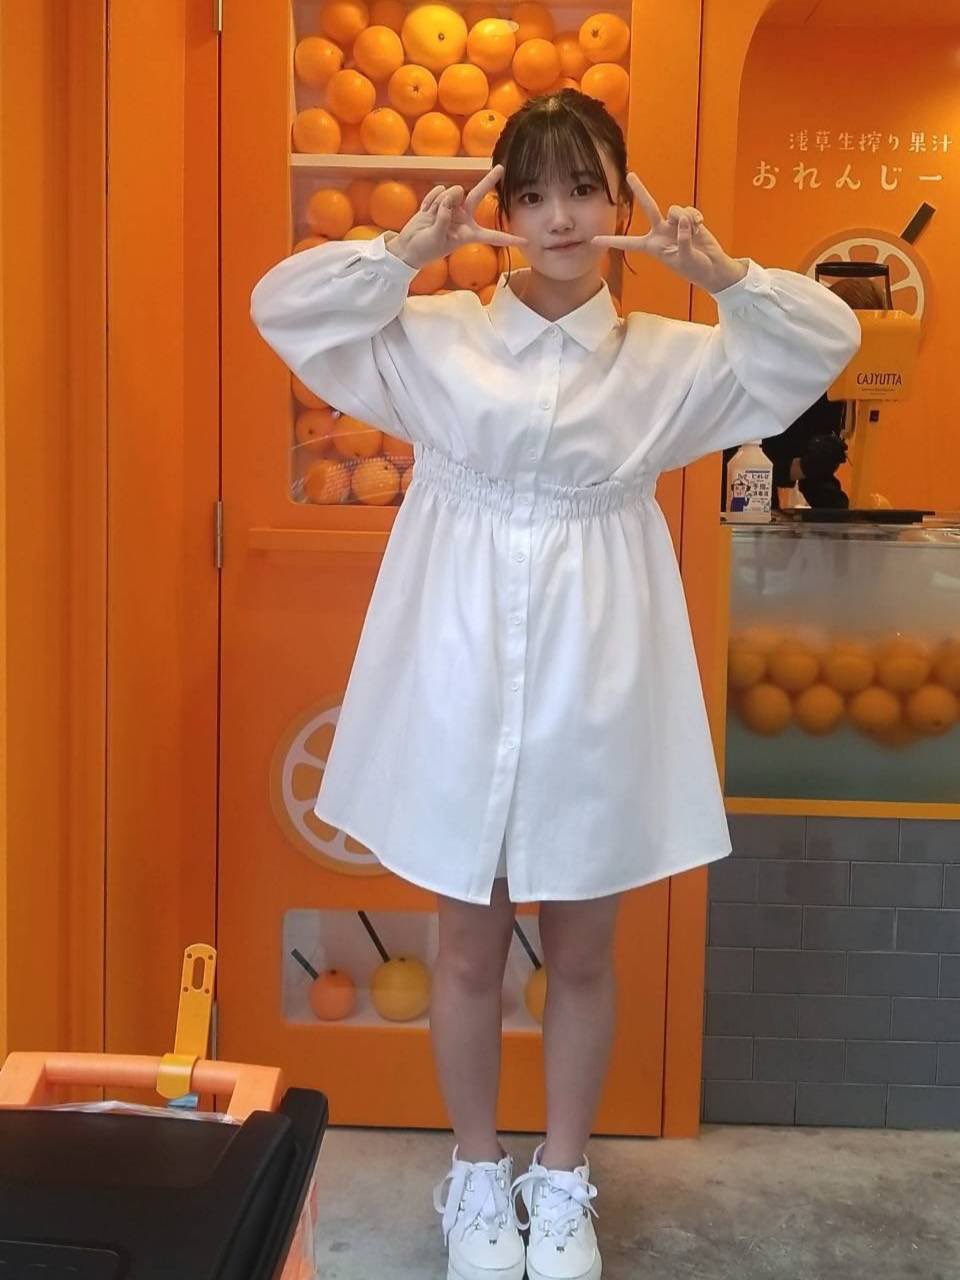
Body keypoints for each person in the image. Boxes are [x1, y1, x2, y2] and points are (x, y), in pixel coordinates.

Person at [250, 89, 861, 1280]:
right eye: (531, 193)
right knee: (467, 944)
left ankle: (565, 1176)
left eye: (585, 188)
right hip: (459, 655)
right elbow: (287, 306)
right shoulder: (433, 336)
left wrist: (727, 277)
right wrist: (401, 251)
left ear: (623, 198)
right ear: (502, 207)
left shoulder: (674, 360)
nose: (561, 217)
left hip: (600, 663)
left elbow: (820, 342)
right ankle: (478, 1172)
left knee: (581, 944)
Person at [723, 275, 883, 510]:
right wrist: (800, 467)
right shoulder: (775, 366)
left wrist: (848, 517)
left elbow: (816, 477)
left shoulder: (835, 383)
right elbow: (743, 462)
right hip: (737, 491)